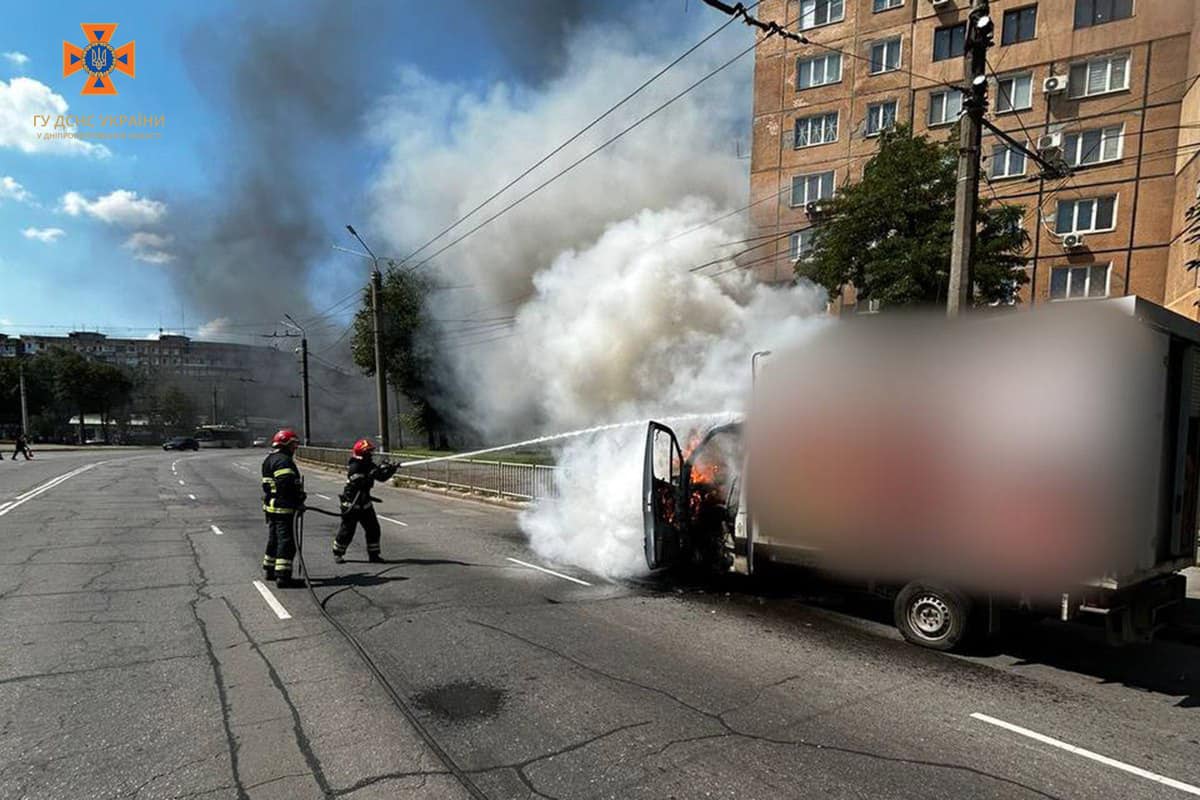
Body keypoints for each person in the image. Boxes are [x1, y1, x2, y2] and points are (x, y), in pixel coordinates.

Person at [332, 438, 397, 563]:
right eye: (368, 452)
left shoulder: (369, 464)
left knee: (373, 529)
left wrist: (390, 470)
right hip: (351, 504)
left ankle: (374, 555)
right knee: (347, 531)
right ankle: (338, 553)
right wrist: (372, 473)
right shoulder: (354, 466)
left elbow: (381, 478)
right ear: (362, 453)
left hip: (365, 503)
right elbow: (360, 482)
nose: (371, 454)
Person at [261, 428, 306, 588]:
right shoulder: (283, 461)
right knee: (286, 542)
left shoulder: (270, 459)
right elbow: (286, 484)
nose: (295, 448)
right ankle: (283, 576)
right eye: (294, 445)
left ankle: (270, 570)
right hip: (284, 507)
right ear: (286, 444)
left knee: (274, 540)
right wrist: (299, 497)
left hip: (272, 507)